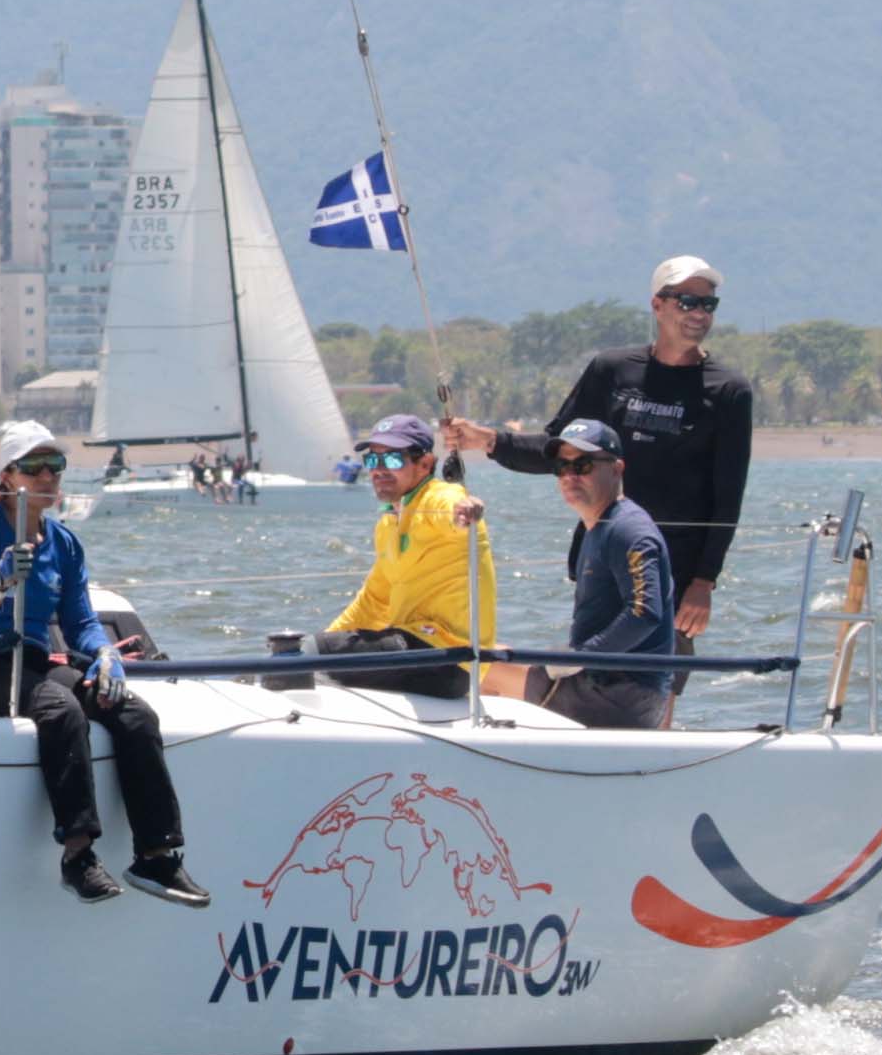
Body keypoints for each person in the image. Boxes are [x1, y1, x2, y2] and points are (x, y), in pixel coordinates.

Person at [0, 422, 203, 907]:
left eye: (55, 466)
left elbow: (81, 621)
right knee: (61, 709)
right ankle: (78, 856)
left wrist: (104, 654)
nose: (47, 477)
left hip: (29, 661)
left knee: (133, 713)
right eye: (33, 467)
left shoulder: (65, 544)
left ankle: (156, 856)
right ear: (8, 474)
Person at [445, 253, 752, 650]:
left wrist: (704, 581)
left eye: (708, 304)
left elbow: (728, 495)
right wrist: (488, 440)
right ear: (657, 304)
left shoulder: (728, 390)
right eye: (687, 301)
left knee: (658, 676)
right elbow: (559, 451)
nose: (699, 313)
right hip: (604, 555)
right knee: (591, 662)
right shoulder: (612, 370)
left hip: (675, 566)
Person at [508, 418, 677, 731]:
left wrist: (582, 657)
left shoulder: (628, 529)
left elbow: (645, 612)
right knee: (491, 656)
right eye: (562, 467)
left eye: (582, 465)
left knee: (481, 668)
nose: (570, 476)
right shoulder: (598, 526)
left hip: (621, 695)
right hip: (599, 682)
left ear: (617, 469)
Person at [312, 413, 493, 696]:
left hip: (449, 657)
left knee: (309, 654)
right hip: (416, 652)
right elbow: (374, 602)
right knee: (299, 653)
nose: (379, 469)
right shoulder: (388, 524)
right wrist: (327, 638)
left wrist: (463, 512)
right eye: (373, 460)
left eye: (393, 459)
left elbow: (451, 506)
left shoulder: (437, 497)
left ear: (425, 464)